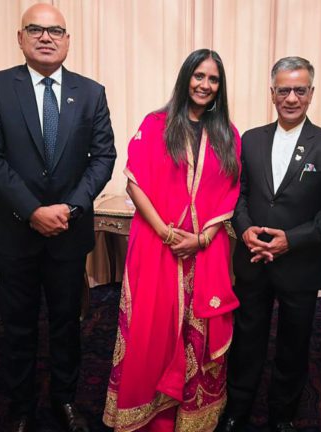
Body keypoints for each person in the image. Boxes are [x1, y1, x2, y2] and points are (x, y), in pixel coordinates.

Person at [0, 4, 116, 432]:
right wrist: (32, 210)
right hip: (16, 232)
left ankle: (65, 400)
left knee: (65, 323)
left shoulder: (91, 92)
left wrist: (71, 208)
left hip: (69, 234)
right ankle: (21, 407)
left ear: (68, 40)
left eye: (55, 30)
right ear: (20, 38)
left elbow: (103, 157)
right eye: (34, 29)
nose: (46, 37)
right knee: (17, 325)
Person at [102, 49, 241, 432]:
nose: (205, 85)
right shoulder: (157, 123)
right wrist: (166, 233)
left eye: (213, 79)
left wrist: (200, 238)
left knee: (197, 333)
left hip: (204, 252)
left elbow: (230, 193)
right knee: (153, 329)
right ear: (186, 78)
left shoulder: (228, 135)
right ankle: (151, 415)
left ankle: (194, 416)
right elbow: (135, 182)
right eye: (199, 76)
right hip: (155, 246)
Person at [218, 57, 321, 432]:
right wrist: (243, 230)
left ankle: (282, 416)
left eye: (299, 90)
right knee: (246, 341)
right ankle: (237, 410)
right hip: (252, 259)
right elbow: (238, 194)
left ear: (311, 93)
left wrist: (290, 241)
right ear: (272, 93)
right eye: (283, 90)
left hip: (299, 264)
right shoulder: (251, 139)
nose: (291, 97)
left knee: (293, 347)